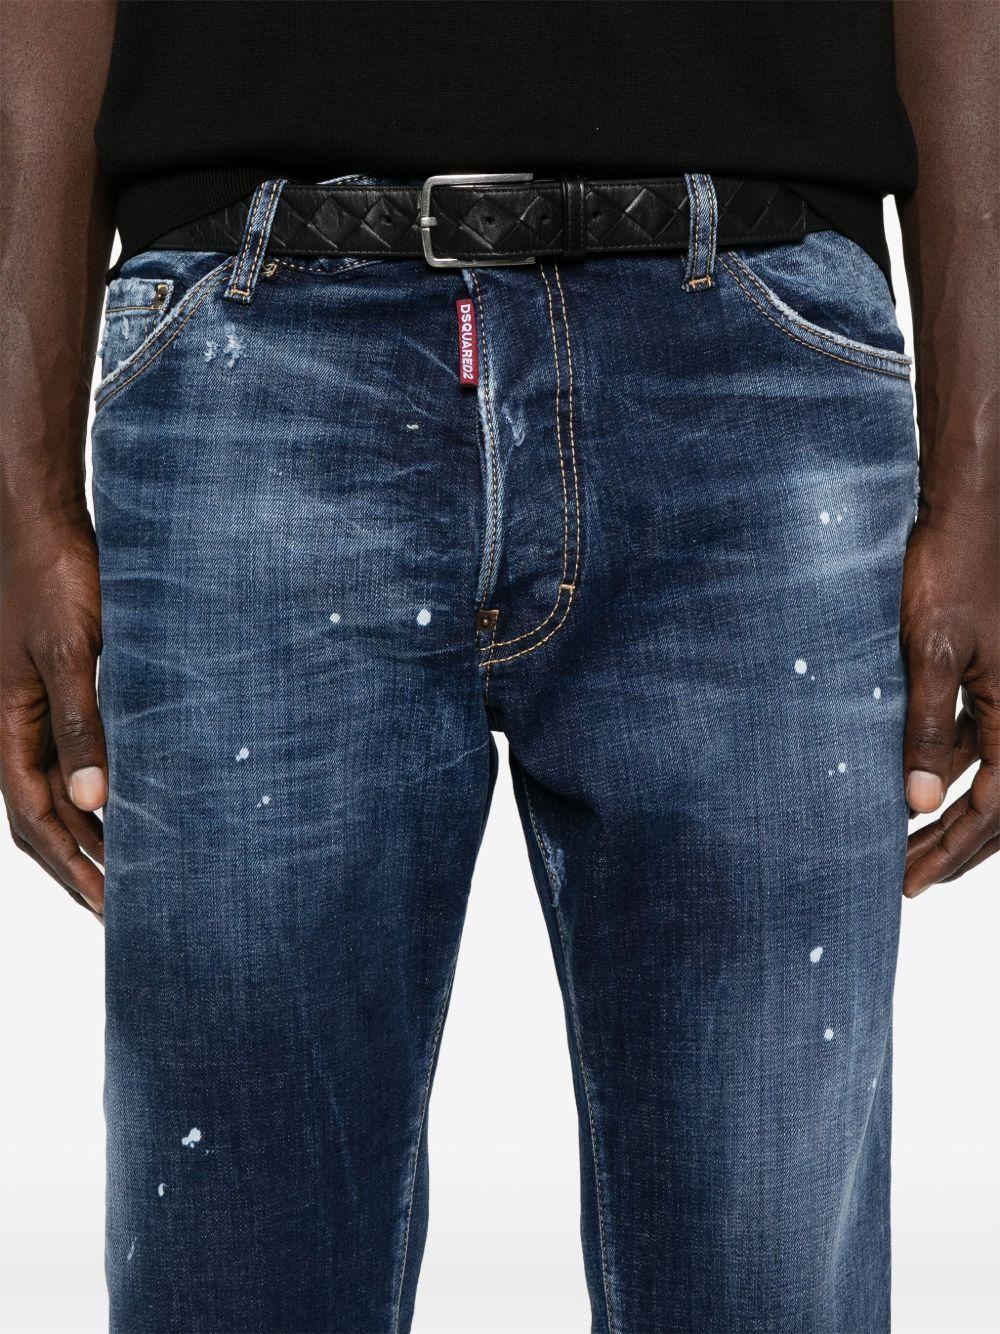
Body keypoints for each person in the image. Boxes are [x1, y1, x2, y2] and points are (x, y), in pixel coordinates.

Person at [2, 3, 996, 1331]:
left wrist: (982, 478)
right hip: (253, 337)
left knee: (769, 1280)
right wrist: (19, 492)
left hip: (758, 359)